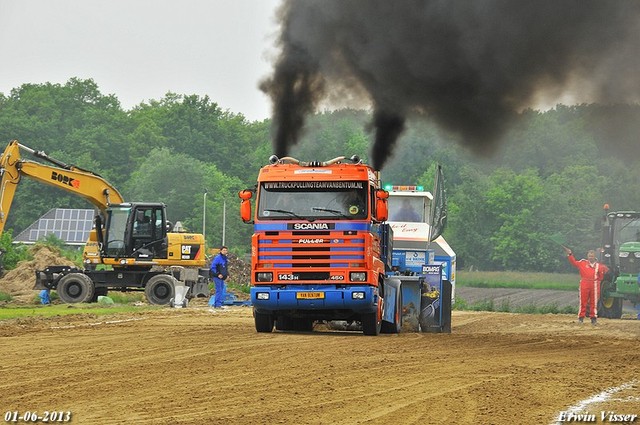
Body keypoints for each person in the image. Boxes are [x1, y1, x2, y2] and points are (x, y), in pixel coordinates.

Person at [564, 246, 609, 325]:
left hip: (594, 284)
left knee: (594, 302)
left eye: (592, 256)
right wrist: (570, 254)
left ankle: (593, 319)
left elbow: (601, 276)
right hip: (584, 283)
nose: (590, 257)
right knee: (583, 301)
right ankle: (581, 318)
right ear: (587, 256)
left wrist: (597, 282)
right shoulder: (583, 262)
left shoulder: (599, 266)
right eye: (589, 256)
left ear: (595, 257)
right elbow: (574, 262)